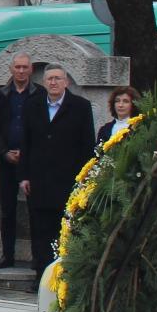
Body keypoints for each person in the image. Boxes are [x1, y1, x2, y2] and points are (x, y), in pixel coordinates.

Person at [21, 65, 95, 279]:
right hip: (38, 181)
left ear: (66, 82)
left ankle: (64, 275)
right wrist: (24, 176)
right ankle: (41, 275)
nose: (53, 82)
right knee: (40, 231)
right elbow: (25, 143)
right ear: (44, 82)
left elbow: (86, 145)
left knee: (65, 229)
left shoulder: (80, 107)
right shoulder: (32, 105)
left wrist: (83, 180)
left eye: (58, 79)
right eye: (50, 79)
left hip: (67, 181)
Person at [0, 53, 42, 269]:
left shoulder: (39, 94)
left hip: (32, 163)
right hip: (7, 161)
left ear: (31, 70)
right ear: (11, 69)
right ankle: (7, 254)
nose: (21, 71)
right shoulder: (2, 95)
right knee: (8, 210)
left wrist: (27, 153)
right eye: (17, 67)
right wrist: (3, 152)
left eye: (25, 67)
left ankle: (38, 257)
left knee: (35, 210)